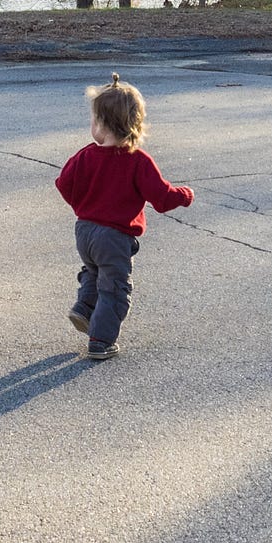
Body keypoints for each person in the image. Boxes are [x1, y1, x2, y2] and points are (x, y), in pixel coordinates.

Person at [55, 73, 194, 360]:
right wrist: (184, 195)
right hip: (115, 236)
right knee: (114, 287)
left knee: (94, 272)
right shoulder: (137, 161)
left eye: (93, 121)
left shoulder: (84, 156)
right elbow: (162, 198)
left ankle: (84, 308)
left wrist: (83, 206)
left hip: (84, 230)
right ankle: (100, 340)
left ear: (102, 126)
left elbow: (63, 183)